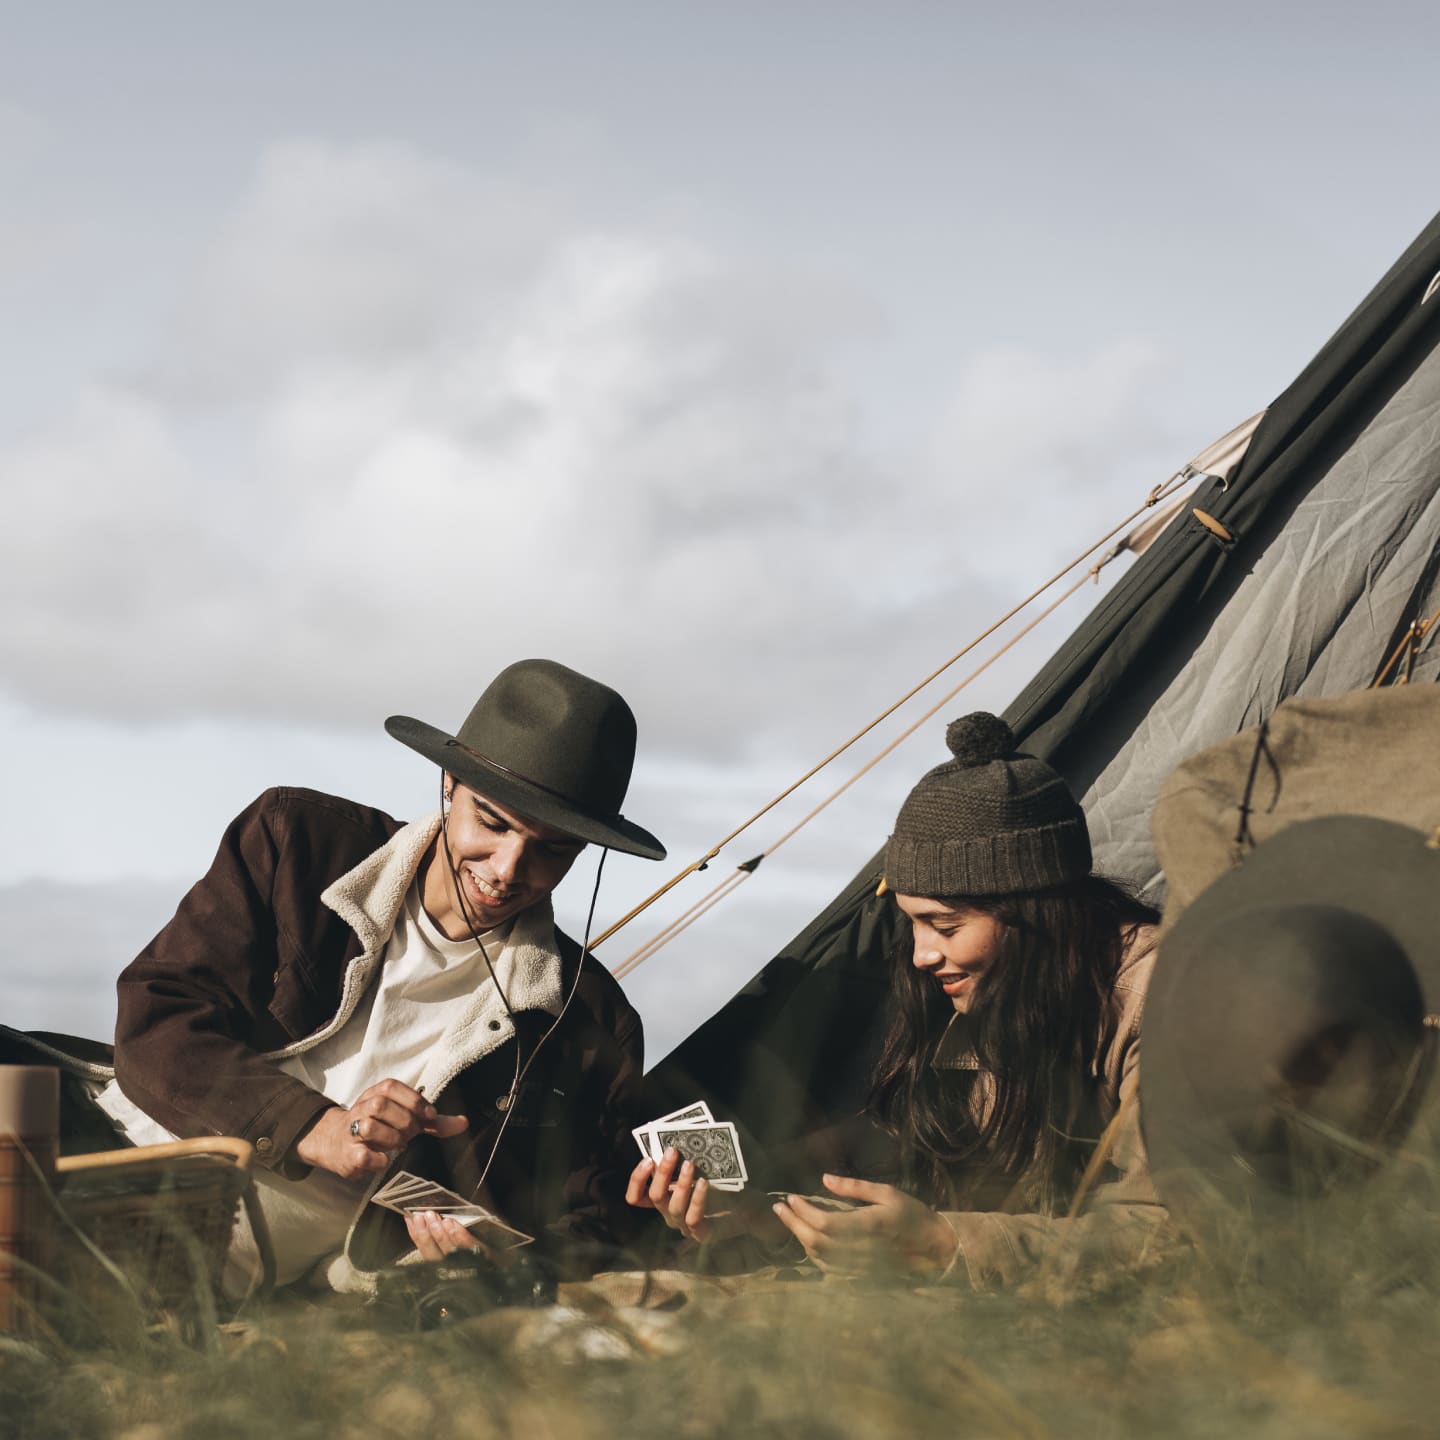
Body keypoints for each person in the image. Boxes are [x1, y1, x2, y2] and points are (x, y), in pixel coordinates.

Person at [4, 658, 665, 1295]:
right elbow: (157, 1017)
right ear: (448, 786)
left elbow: (597, 1211)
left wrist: (488, 1252)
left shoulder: (588, 1018)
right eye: (491, 822)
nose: (508, 867)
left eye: (553, 849)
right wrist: (314, 1127)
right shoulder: (296, 844)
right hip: (98, 1149)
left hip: (220, 1279)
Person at [627, 712, 1166, 1291]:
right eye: (912, 925)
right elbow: (933, 1188)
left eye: (946, 925)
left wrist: (945, 1245)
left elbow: (1182, 1231)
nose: (921, 955)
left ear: (1036, 915)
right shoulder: (984, 1000)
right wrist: (769, 1217)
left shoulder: (1166, 1000)